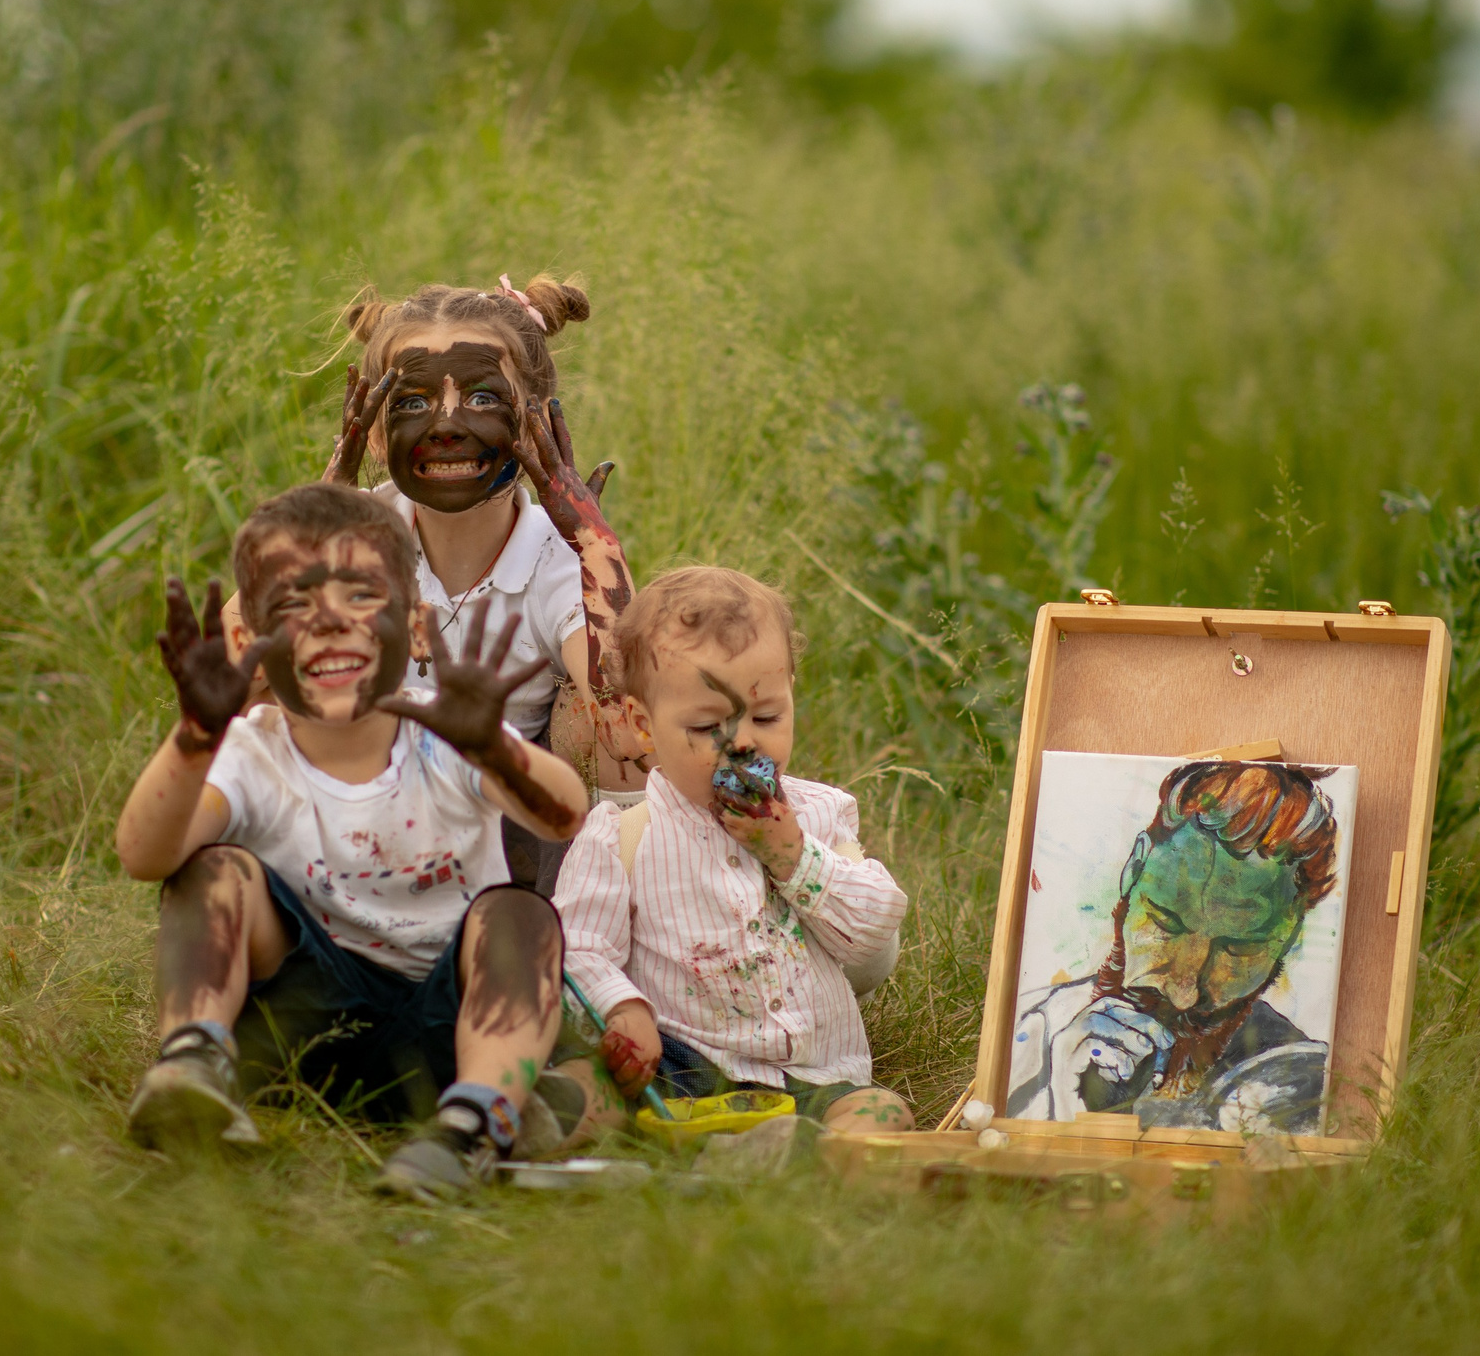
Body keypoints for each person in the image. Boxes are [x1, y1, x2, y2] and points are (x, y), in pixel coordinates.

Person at [114, 482, 590, 1201]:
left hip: (448, 1032)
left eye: (361, 596)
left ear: (419, 628)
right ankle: (193, 1062)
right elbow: (144, 856)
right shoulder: (249, 751)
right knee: (211, 871)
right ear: (246, 644)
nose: (330, 623)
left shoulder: (449, 730)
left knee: (521, 916)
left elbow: (564, 816)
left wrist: (494, 750)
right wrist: (194, 737)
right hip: (296, 1036)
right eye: (293, 605)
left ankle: (472, 1123)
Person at [553, 566, 914, 1137]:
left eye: (767, 716)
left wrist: (794, 856)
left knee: (883, 1115)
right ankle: (554, 1128)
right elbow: (578, 949)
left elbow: (874, 932)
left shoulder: (820, 816)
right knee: (583, 1084)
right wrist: (622, 1010)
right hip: (674, 1070)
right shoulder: (621, 837)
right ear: (643, 726)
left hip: (808, 1078)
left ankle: (798, 1152)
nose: (743, 741)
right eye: (706, 726)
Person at [315, 273, 646, 895]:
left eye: (483, 397)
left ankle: (608, 916)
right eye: (412, 403)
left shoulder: (558, 557)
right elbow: (246, 666)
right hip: (366, 816)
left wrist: (598, 549)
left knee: (591, 712)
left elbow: (633, 718)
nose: (446, 425)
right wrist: (319, 526)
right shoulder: (354, 532)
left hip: (512, 828)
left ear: (536, 422)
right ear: (376, 432)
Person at [1005, 760, 1341, 1134]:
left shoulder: (1298, 1086)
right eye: (1167, 923)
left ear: (1289, 935)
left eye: (1237, 950)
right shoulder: (1028, 1032)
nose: (1183, 995)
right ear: (1134, 867)